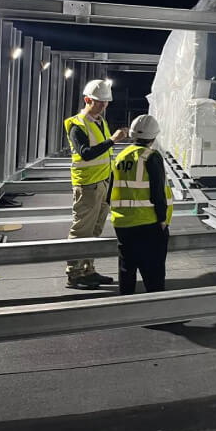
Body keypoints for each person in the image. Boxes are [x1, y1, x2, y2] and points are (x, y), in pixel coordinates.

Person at [63, 79, 128, 289]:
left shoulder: (99, 122)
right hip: (87, 186)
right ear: (87, 100)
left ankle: (88, 270)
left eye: (106, 102)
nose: (103, 106)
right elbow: (86, 154)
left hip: (102, 182)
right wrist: (113, 141)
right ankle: (74, 274)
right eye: (99, 102)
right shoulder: (77, 125)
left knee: (95, 231)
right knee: (82, 231)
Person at [110, 114, 173, 294]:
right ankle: (154, 311)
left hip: (122, 223)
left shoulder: (120, 156)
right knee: (153, 271)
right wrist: (162, 219)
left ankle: (127, 308)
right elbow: (158, 192)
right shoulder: (151, 156)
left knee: (126, 268)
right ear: (153, 137)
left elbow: (111, 190)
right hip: (148, 222)